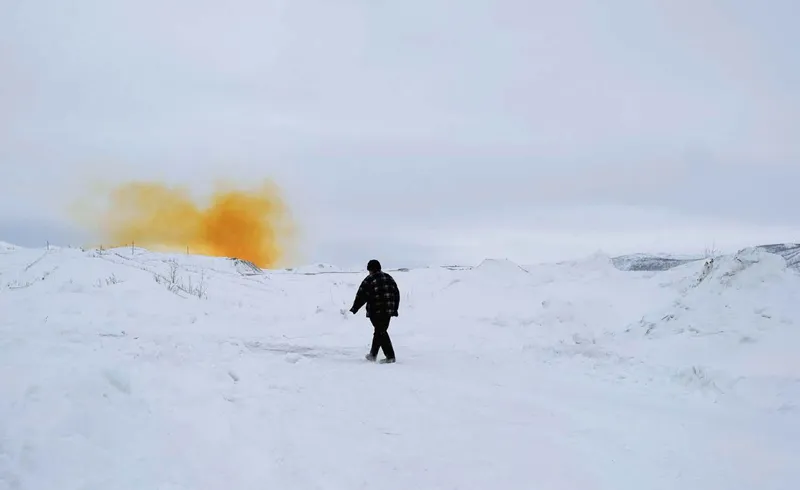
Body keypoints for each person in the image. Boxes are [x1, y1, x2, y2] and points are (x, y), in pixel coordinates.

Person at [349, 259, 400, 363]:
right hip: (388, 311)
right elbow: (396, 294)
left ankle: (390, 356)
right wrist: (394, 309)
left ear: (370, 269)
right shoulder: (389, 278)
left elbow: (361, 295)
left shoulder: (369, 279)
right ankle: (373, 355)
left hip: (376, 311)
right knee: (379, 331)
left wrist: (354, 308)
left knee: (381, 332)